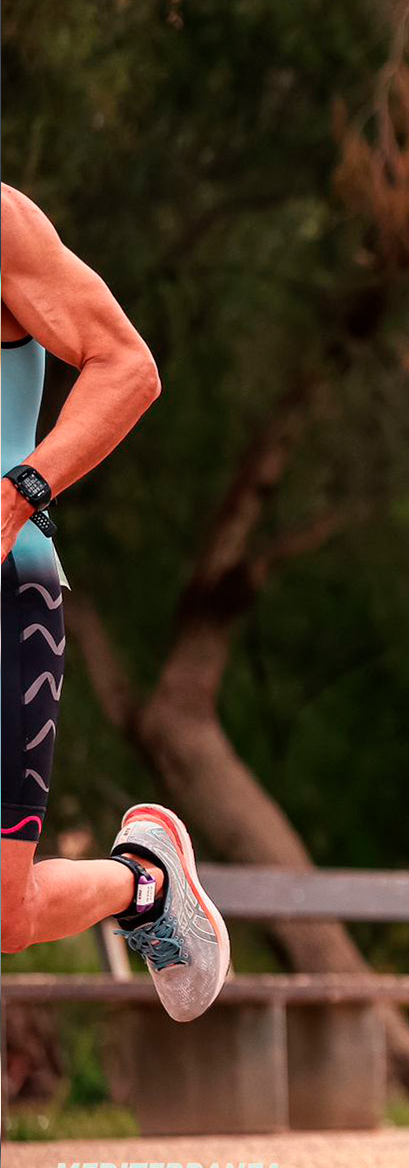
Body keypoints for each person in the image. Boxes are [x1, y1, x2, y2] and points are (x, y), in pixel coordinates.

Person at [0, 184, 229, 1022]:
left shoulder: (3, 224)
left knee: (6, 914)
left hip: (7, 592)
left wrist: (14, 498)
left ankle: (145, 885)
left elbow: (127, 367)